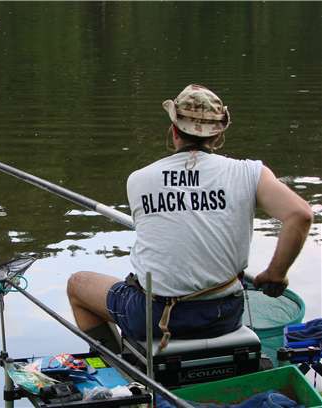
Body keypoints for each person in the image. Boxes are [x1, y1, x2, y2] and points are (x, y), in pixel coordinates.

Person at [67, 84, 313, 353]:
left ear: (174, 131)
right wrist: (276, 275)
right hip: (224, 315)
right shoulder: (251, 173)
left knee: (78, 285)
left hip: (153, 317)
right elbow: (300, 216)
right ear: (218, 136)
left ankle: (121, 367)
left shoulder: (139, 179)